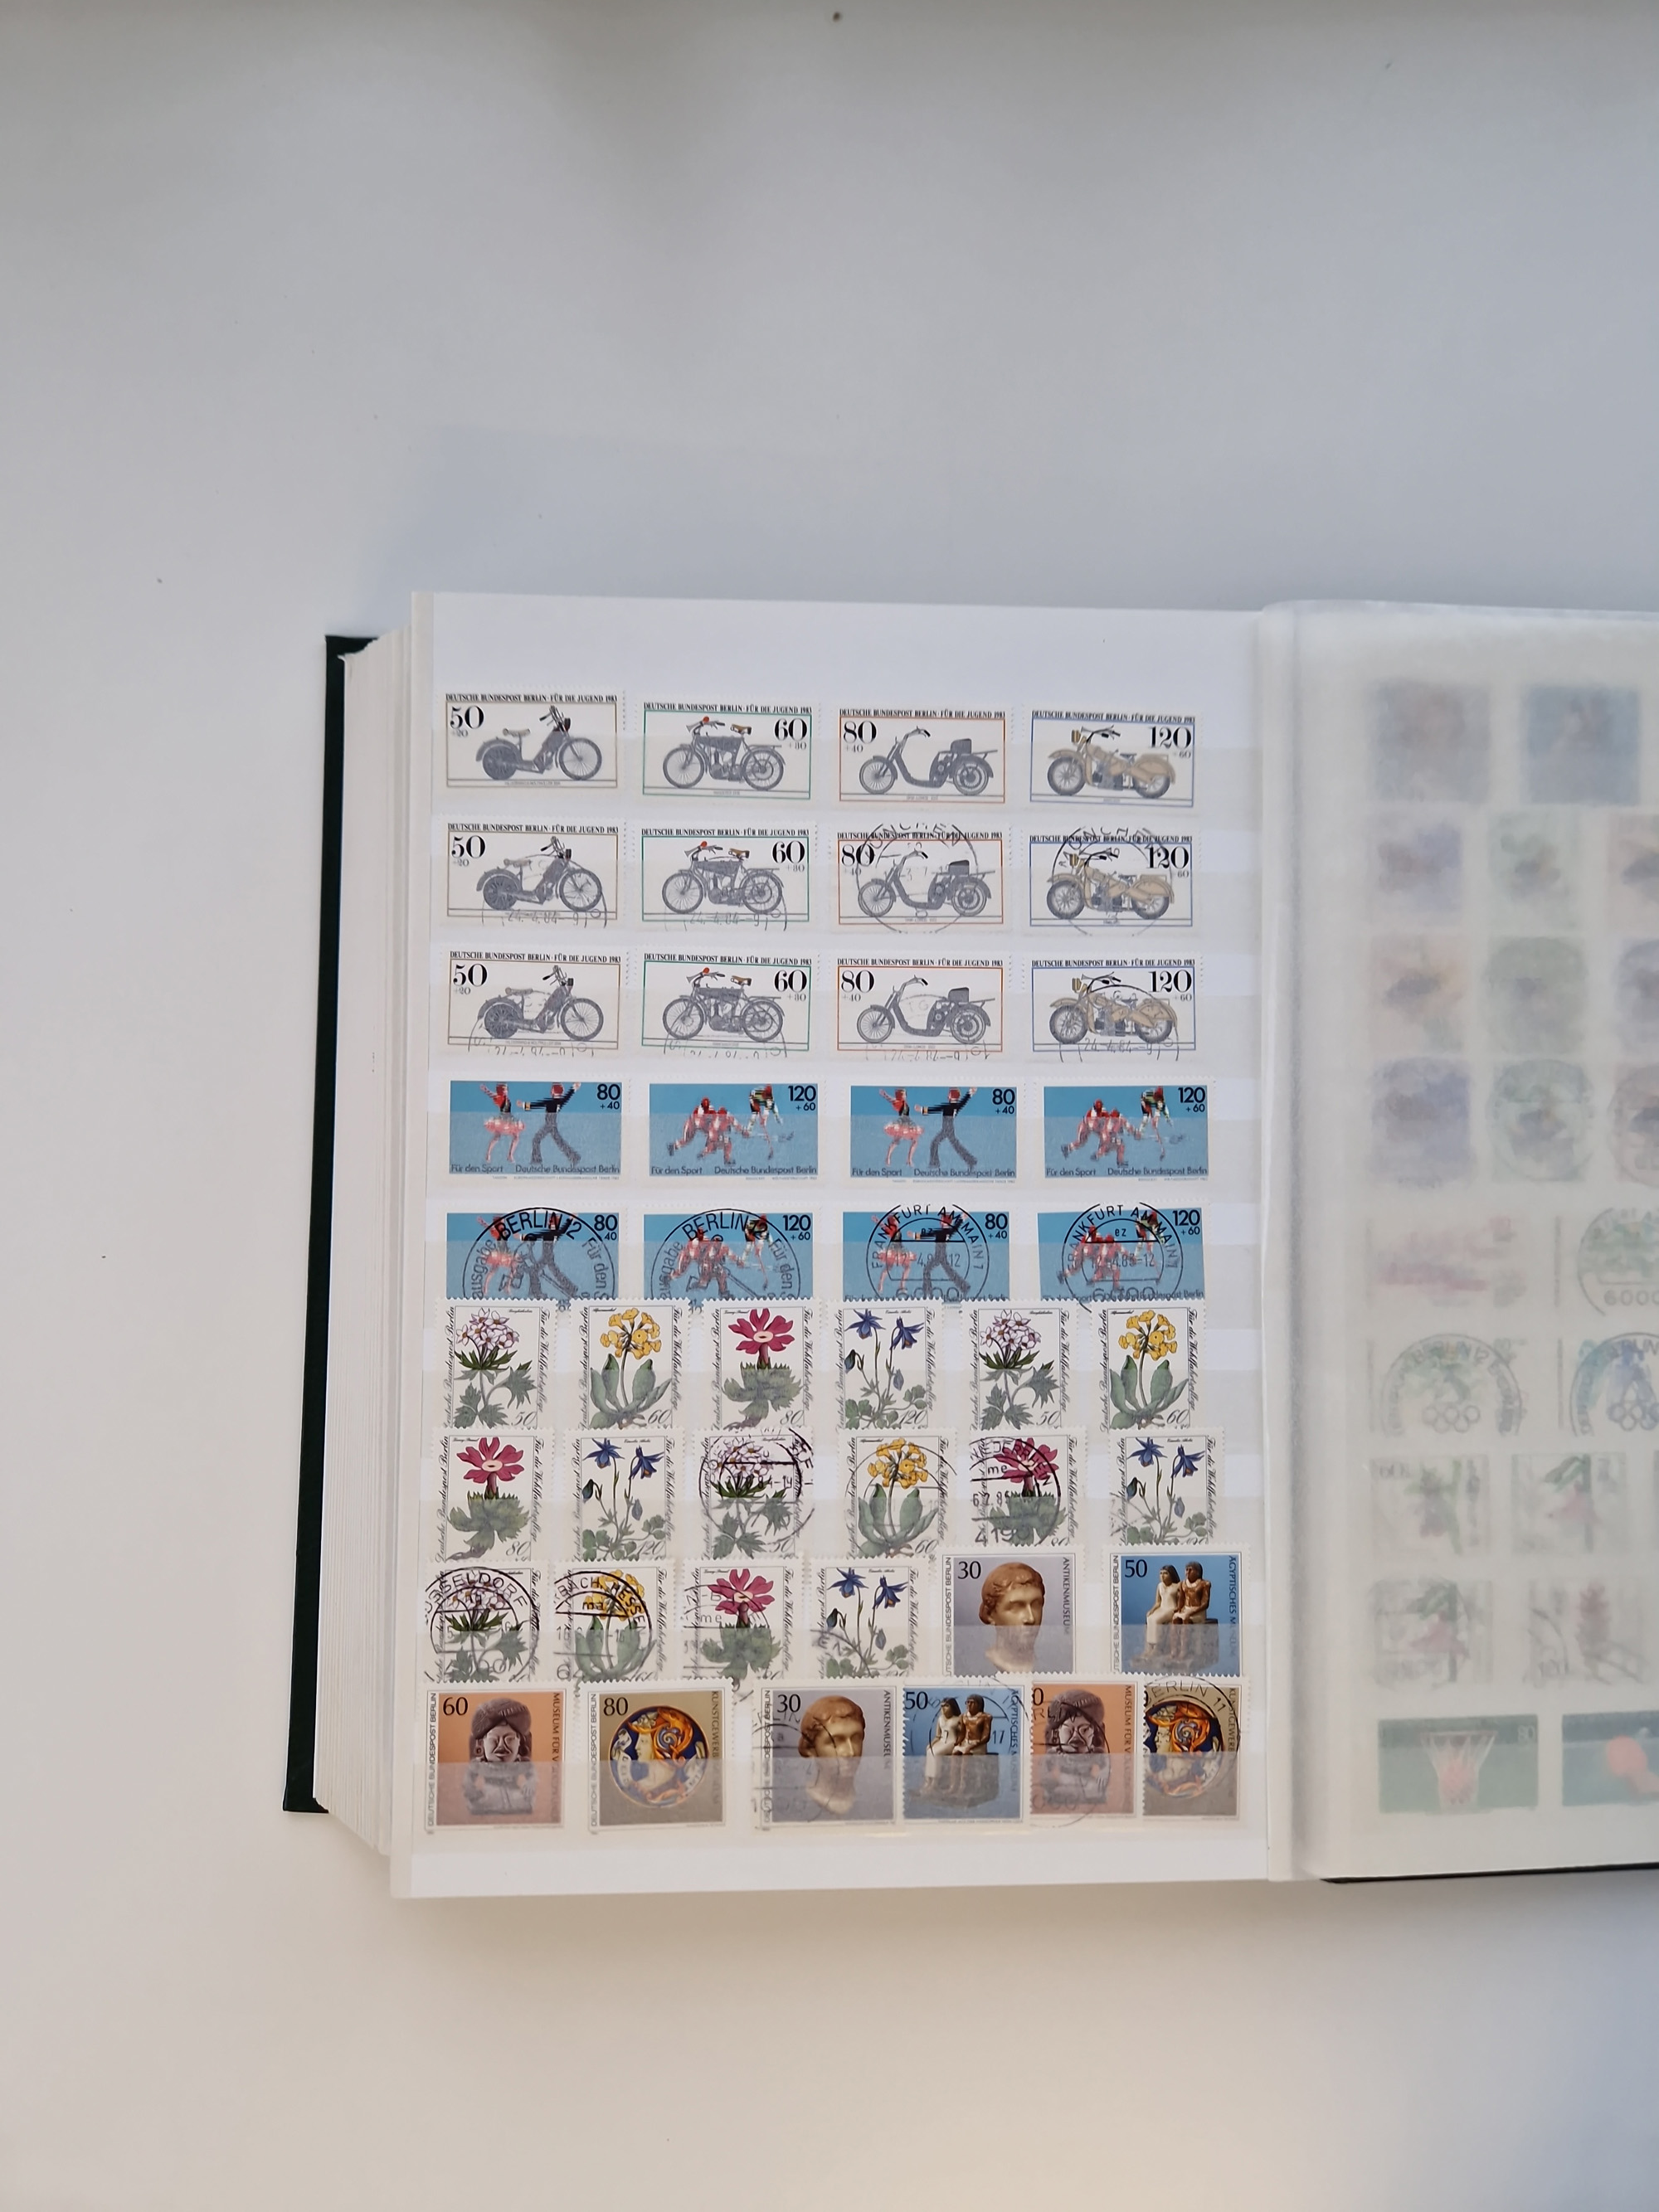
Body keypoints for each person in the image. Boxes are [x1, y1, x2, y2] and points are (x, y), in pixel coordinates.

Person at [460, 1697, 537, 1816]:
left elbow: (532, 1775)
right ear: (481, 1743)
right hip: (488, 1798)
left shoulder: (522, 1764)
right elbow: (467, 1780)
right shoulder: (478, 1765)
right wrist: (471, 1790)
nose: (501, 1746)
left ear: (520, 1742)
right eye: (493, 1740)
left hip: (515, 1796)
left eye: (510, 1739)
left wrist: (531, 1783)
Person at [797, 1695, 866, 1816]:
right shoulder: (796, 1805)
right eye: (835, 1742)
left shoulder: (874, 1798)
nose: (850, 1752)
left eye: (856, 1739)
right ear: (810, 1749)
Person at [978, 1561, 1045, 1672]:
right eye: (1016, 1608)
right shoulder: (974, 1668)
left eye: (1036, 1605)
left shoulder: (1055, 1665)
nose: (1031, 1618)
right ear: (990, 1614)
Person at [523, 1081, 581, 1169]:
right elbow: (568, 1096)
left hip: (549, 1125)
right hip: (552, 1125)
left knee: (536, 1139)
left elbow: (537, 1105)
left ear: (553, 1091)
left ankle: (537, 1160)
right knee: (560, 1143)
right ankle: (574, 1157)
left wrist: (523, 1105)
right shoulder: (560, 1102)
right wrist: (574, 1087)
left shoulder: (550, 1102)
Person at [922, 1087, 978, 1172]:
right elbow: (964, 1101)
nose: (947, 1096)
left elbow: (935, 1109)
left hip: (946, 1129)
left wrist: (922, 1110)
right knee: (956, 1146)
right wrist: (970, 1093)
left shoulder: (947, 1106)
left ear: (951, 1096)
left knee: (935, 1143)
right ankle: (971, 1161)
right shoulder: (957, 1106)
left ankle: (934, 1163)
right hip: (949, 1128)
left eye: (949, 1094)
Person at [919, 1208, 970, 1300]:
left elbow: (927, 1235)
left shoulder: (941, 1232)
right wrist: (962, 1217)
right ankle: (964, 1286)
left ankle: (928, 1292)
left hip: (939, 1256)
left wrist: (914, 1236)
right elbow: (956, 1226)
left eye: (942, 1219)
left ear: (944, 1221)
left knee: (927, 1270)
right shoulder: (949, 1232)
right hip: (941, 1256)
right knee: (949, 1272)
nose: (940, 1221)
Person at [921, 1697, 963, 1796]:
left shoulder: (958, 1719)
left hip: (951, 1742)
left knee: (936, 1753)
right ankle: (928, 1781)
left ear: (952, 1707)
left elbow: (962, 1734)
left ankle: (935, 1783)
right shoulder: (940, 1719)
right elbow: (938, 1735)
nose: (943, 1708)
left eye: (946, 1706)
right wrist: (931, 1743)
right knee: (929, 1751)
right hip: (941, 1741)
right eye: (942, 1706)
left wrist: (959, 1744)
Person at [479, 1082, 525, 1168]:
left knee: (514, 1137)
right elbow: (493, 1095)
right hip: (504, 1120)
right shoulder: (501, 1098)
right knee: (500, 1136)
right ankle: (490, 1154)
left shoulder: (506, 1099)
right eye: (504, 1090)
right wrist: (486, 1090)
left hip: (509, 1119)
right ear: (501, 1091)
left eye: (506, 1090)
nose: (506, 1091)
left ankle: (509, 1155)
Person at [1143, 1564, 1182, 1658]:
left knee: (1156, 1620)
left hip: (1171, 1609)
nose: (1162, 1576)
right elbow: (1158, 1602)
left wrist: (1178, 1610)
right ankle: (1150, 1646)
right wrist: (1152, 1610)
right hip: (1162, 1608)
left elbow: (1181, 1601)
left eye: (1165, 1573)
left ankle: (1157, 1647)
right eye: (1161, 1573)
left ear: (1171, 1575)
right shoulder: (1160, 1586)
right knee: (1150, 1618)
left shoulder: (1178, 1586)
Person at [879, 1087, 922, 1170]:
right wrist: (885, 1095)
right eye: (903, 1094)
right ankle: (894, 1158)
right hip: (903, 1123)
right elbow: (892, 1100)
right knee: (905, 1141)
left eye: (905, 1094)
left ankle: (906, 1159)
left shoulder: (904, 1103)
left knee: (906, 1141)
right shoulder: (899, 1102)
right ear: (901, 1095)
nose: (905, 1095)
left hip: (907, 1123)